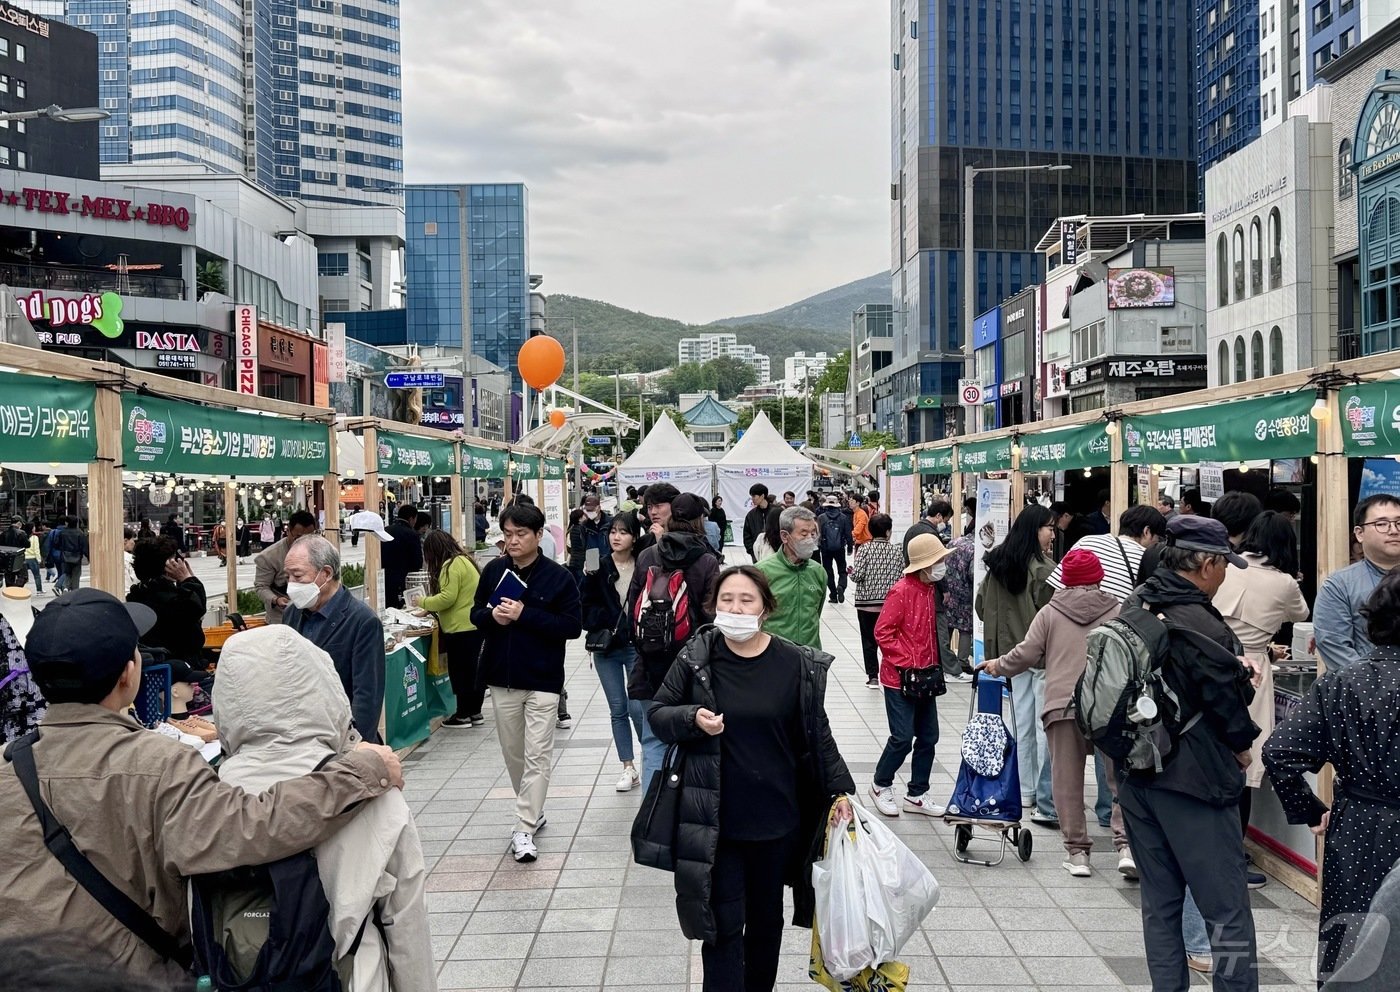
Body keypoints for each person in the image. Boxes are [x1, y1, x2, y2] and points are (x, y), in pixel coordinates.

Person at [0, 589, 403, 982]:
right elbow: (254, 825)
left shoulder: (8, 765)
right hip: (126, 974)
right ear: (128, 674)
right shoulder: (159, 765)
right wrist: (361, 772)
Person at [648, 565, 855, 992]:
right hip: (716, 819)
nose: (735, 608)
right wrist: (691, 718)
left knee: (766, 922)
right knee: (722, 925)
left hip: (778, 820)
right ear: (713, 605)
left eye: (746, 600)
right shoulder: (697, 657)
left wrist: (841, 795)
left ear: (765, 608)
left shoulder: (796, 662)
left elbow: (816, 734)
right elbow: (658, 714)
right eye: (727, 600)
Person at [215, 626, 436, 992]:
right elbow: (407, 922)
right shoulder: (374, 794)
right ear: (325, 690)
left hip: (238, 976)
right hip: (353, 977)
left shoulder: (207, 794)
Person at [1120, 515, 1261, 992]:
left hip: (1138, 775)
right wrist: (1242, 745)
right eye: (1224, 565)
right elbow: (1224, 702)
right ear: (1206, 563)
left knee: (1160, 906)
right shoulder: (1203, 624)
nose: (1226, 575)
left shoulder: (1136, 604)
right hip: (1195, 782)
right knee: (1227, 912)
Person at [1265, 569, 1400, 983]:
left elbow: (1280, 752)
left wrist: (1310, 809)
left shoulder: (1344, 680)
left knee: (1352, 946)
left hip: (1360, 828)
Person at [981, 549, 1123, 877]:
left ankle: (1078, 854)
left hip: (1064, 704)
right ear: (1099, 578)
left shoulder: (1050, 612)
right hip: (1109, 706)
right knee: (1119, 779)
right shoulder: (1117, 608)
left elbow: (1027, 654)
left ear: (1066, 581)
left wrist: (997, 665)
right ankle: (1126, 846)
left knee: (1067, 779)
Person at [470, 503, 582, 863]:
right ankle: (533, 808)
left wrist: (524, 615)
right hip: (502, 678)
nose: (513, 541)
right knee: (514, 753)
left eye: (520, 534)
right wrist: (493, 617)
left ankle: (524, 826)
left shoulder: (558, 577)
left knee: (538, 755)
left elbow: (571, 627)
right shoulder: (493, 571)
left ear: (538, 536)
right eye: (507, 534)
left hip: (543, 679)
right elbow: (475, 614)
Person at [1214, 510, 1309, 852]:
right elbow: (1301, 614)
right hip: (1253, 667)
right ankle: (1233, 852)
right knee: (1245, 758)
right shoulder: (1283, 582)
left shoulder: (1226, 565)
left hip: (1212, 657)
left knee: (1215, 749)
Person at [976, 504, 1055, 817]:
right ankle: (1044, 793)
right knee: (1042, 725)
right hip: (1042, 656)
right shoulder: (1044, 569)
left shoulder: (997, 563)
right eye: (1048, 527)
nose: (1052, 533)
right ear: (1034, 530)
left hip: (1010, 654)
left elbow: (983, 606)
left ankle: (1024, 792)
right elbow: (1053, 617)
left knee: (1022, 722)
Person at [869, 533, 952, 818]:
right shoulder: (901, 591)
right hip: (899, 678)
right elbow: (882, 631)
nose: (942, 565)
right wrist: (907, 661)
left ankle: (917, 793)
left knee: (929, 736)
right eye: (938, 560)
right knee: (902, 737)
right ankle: (881, 784)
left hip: (926, 677)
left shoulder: (930, 590)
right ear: (924, 564)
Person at [282, 536, 386, 744]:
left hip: (342, 739)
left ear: (326, 573)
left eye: (298, 576)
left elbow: (366, 696)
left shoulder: (362, 621)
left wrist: (354, 748)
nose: (291, 585)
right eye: (288, 576)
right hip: (301, 739)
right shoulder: (292, 613)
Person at [581, 513, 651, 789]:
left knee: (637, 707)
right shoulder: (597, 565)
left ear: (634, 537)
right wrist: (588, 578)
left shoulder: (644, 564)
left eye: (623, 532)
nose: (616, 537)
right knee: (618, 707)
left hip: (636, 646)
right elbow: (585, 606)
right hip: (607, 647)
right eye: (613, 531)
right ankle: (628, 766)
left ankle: (650, 756)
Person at [627, 493, 721, 700]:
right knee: (689, 722)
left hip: (652, 652)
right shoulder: (706, 560)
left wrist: (640, 644)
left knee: (652, 725)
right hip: (693, 655)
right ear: (699, 520)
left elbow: (633, 603)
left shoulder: (648, 554)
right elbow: (711, 613)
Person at [1314, 494, 1400, 673]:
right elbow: (1334, 645)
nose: (1393, 530)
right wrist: (1380, 682)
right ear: (1359, 534)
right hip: (1367, 692)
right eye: (1382, 524)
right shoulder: (1339, 585)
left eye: (1399, 523)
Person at [418, 531, 483, 730]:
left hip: (459, 627)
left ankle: (462, 714)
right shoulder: (465, 560)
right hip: (473, 624)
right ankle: (474, 712)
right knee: (471, 671)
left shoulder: (450, 565)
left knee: (461, 672)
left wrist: (422, 602)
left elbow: (447, 597)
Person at [1048, 504, 1166, 602]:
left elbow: (1055, 587)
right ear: (1147, 531)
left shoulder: (1087, 541)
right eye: (1158, 539)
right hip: (1114, 626)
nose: (1158, 543)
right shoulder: (1147, 559)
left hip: (1067, 619)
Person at [125, 537, 207, 666]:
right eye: (175, 558)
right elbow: (196, 608)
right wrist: (188, 579)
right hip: (181, 666)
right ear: (168, 565)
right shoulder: (171, 599)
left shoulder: (139, 593)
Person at [756, 505, 827, 649]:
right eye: (804, 533)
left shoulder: (818, 571)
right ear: (784, 536)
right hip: (774, 653)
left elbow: (816, 612)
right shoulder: (762, 571)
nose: (810, 539)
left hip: (810, 654)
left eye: (813, 533)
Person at [850, 513, 905, 689]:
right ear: (888, 531)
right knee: (890, 639)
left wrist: (851, 571)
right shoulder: (896, 551)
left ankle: (873, 677)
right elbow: (902, 576)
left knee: (868, 640)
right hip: (890, 605)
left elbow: (857, 576)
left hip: (866, 604)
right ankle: (894, 672)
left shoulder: (865, 549)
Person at [253, 509, 319, 625]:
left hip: (314, 616)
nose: (303, 542)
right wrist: (275, 599)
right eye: (298, 537)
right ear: (288, 531)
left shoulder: (319, 550)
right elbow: (261, 586)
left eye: (309, 538)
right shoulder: (268, 557)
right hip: (282, 618)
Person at [381, 505, 424, 609]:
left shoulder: (385, 530)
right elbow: (417, 562)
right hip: (403, 581)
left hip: (384, 578)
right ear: (411, 519)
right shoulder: (412, 534)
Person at [816, 495, 853, 604]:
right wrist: (850, 547)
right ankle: (841, 586)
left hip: (825, 548)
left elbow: (818, 534)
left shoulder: (821, 518)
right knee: (842, 570)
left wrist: (819, 547)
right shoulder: (843, 517)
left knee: (828, 571)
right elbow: (848, 534)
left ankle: (833, 594)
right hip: (840, 548)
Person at [636, 482, 680, 556]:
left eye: (658, 506)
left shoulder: (685, 538)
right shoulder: (644, 541)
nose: (653, 512)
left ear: (673, 506)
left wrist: (662, 542)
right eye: (649, 507)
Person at [52, 517, 87, 595]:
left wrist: (62, 549)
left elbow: (56, 543)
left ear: (67, 523)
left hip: (65, 556)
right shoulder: (80, 533)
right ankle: (75, 592)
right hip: (77, 556)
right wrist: (88, 556)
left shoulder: (62, 533)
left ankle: (65, 587)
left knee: (67, 573)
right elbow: (84, 546)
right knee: (76, 575)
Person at [743, 483, 772, 563]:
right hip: (757, 553)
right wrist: (752, 551)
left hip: (774, 553)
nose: (752, 499)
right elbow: (746, 534)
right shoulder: (751, 515)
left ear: (762, 496)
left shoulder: (776, 512)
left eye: (754, 496)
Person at [565, 507, 587, 584]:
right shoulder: (582, 529)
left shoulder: (571, 529)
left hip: (573, 561)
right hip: (581, 561)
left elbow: (569, 547)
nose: (585, 517)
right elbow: (585, 545)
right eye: (583, 515)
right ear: (579, 519)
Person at [24, 523, 44, 594]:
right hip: (32, 558)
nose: (35, 528)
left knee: (23, 577)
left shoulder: (23, 536)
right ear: (32, 529)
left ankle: (22, 590)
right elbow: (36, 549)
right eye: (34, 527)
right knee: (37, 575)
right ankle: (39, 590)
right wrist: (38, 559)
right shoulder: (34, 538)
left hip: (24, 558)